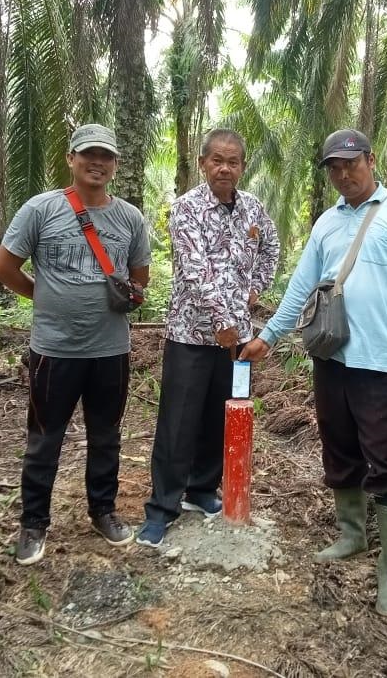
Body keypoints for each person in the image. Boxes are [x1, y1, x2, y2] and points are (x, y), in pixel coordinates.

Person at [240, 128, 387, 618]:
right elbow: (303, 287)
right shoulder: (326, 223)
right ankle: (351, 533)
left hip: (383, 363)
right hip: (332, 358)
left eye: (351, 163)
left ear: (371, 160)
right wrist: (268, 336)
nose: (343, 173)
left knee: (386, 459)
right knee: (340, 446)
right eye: (334, 166)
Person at [0, 124, 151, 564]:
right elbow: (4, 267)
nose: (97, 163)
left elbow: (140, 277)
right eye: (88, 155)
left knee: (107, 436)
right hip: (54, 349)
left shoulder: (130, 218)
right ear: (71, 159)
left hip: (110, 350)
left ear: (115, 164)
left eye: (106, 156)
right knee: (45, 438)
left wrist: (130, 292)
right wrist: (41, 296)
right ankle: (33, 522)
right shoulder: (40, 210)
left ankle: (103, 510)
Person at [136, 128, 279, 548]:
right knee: (178, 422)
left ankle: (202, 489)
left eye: (232, 161)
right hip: (191, 335)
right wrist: (222, 317)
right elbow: (195, 269)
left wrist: (256, 288)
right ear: (203, 163)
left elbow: (271, 248)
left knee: (223, 415)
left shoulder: (253, 208)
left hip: (237, 343)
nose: (224, 168)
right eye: (216, 160)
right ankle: (162, 508)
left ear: (242, 166)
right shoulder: (186, 209)